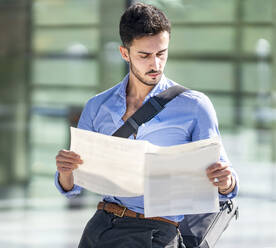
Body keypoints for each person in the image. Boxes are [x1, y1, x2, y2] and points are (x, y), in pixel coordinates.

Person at [54, 3, 238, 248]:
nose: (156, 64)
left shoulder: (195, 106)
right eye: (144, 55)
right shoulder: (97, 107)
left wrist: (226, 181)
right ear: (124, 53)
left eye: (162, 53)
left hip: (156, 233)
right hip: (100, 228)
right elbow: (72, 187)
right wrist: (66, 171)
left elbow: (227, 184)